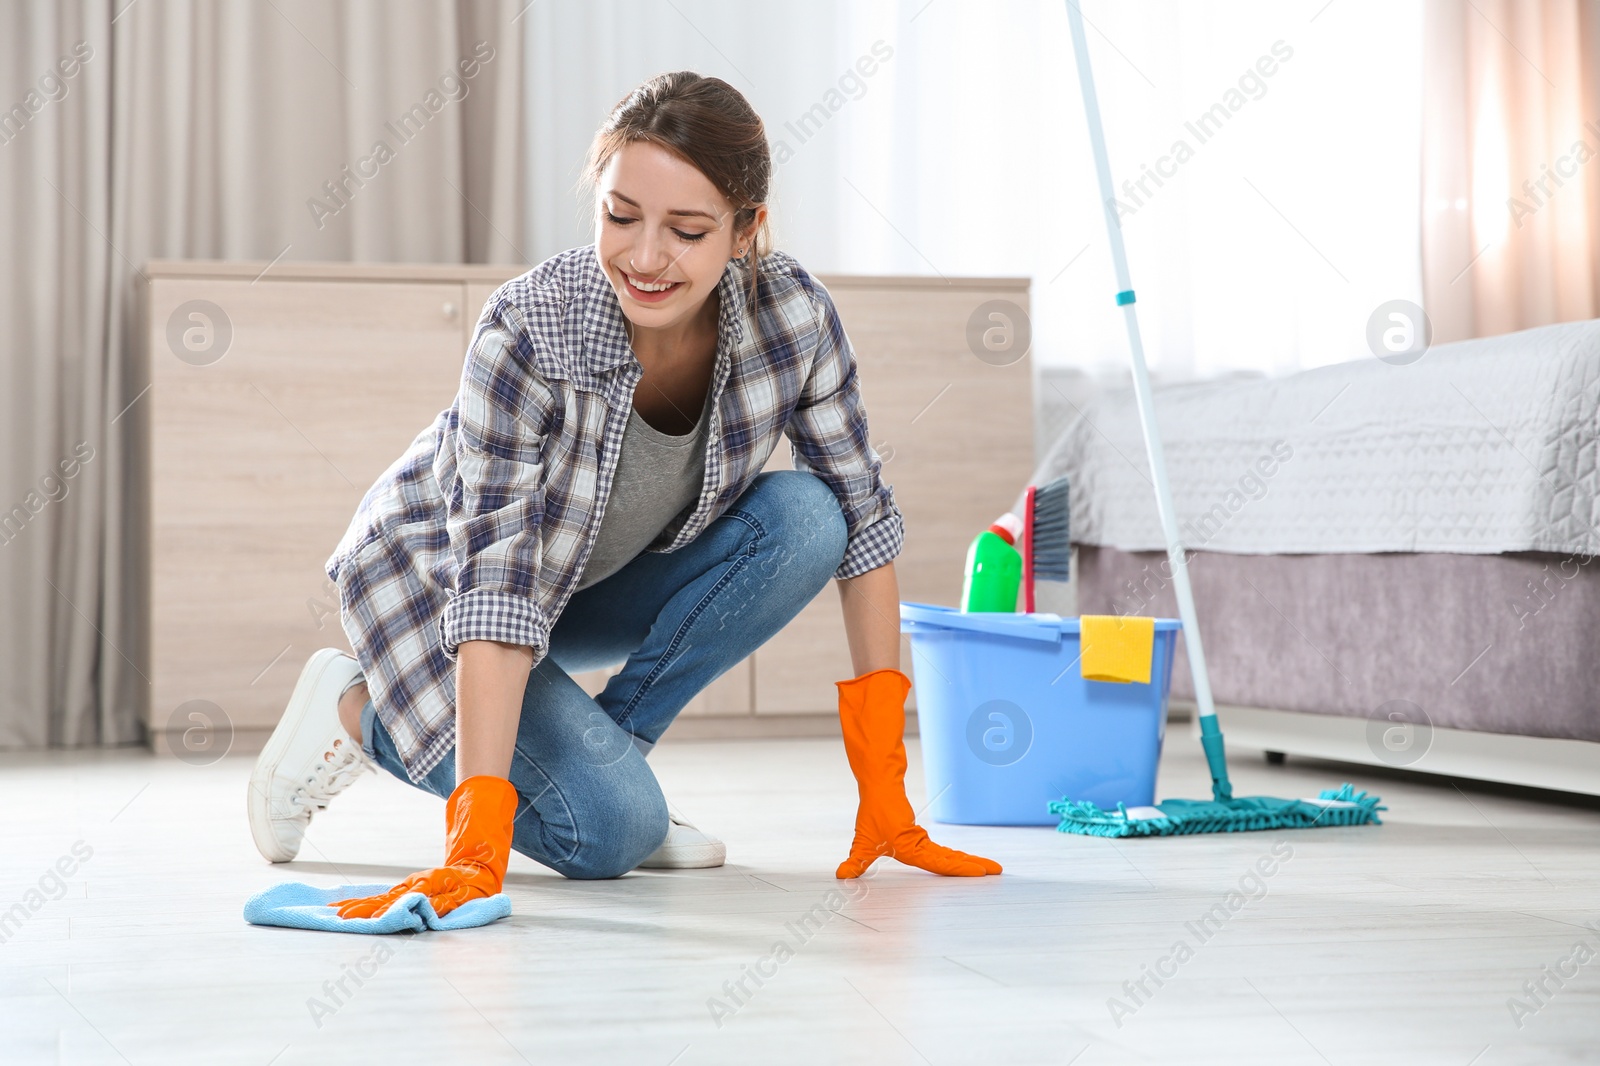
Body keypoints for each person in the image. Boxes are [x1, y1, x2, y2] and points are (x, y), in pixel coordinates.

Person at [246, 70, 1000, 920]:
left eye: (686, 231)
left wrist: (887, 792)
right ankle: (354, 709)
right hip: (436, 586)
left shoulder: (793, 318)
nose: (645, 258)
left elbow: (862, 528)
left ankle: (608, 764)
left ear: (746, 230)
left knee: (808, 518)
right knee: (608, 837)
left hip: (588, 582)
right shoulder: (529, 330)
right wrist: (478, 838)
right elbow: (495, 584)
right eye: (620, 216)